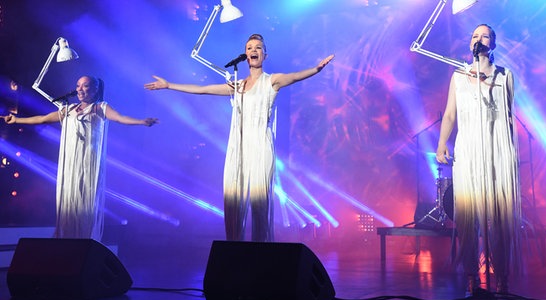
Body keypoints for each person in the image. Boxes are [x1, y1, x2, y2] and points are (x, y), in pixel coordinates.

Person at [145, 34, 334, 242]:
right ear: (245, 55)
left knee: (260, 206)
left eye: (258, 48)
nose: (254, 50)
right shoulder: (238, 86)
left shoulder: (272, 81)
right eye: (250, 47)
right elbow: (202, 90)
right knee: (233, 204)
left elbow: (296, 76)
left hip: (260, 147)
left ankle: (261, 254)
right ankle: (234, 251)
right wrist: (169, 85)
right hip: (238, 149)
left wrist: (316, 69)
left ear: (264, 55)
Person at [3, 75, 158, 241]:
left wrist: (141, 121)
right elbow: (42, 119)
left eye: (85, 86)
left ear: (95, 89)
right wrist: (17, 119)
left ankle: (84, 240)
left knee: (85, 201)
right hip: (70, 164)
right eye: (78, 86)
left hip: (87, 164)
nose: (80, 89)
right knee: (69, 201)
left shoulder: (100, 108)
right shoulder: (68, 110)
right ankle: (66, 237)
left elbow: (120, 118)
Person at [435, 24, 522, 300]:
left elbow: (510, 116)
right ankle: (472, 277)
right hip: (469, 149)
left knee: (499, 217)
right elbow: (450, 114)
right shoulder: (459, 77)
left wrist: (510, 153)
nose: (478, 39)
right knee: (468, 217)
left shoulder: (505, 76)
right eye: (474, 35)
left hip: (497, 150)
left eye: (484, 35)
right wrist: (441, 144)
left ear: (493, 43)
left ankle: (503, 278)